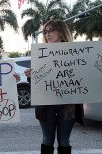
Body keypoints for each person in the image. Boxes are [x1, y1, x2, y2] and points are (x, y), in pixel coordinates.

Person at [24, 19, 84, 154]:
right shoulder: (41, 54)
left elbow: (82, 77)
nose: (47, 34)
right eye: (46, 32)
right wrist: (31, 77)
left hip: (68, 104)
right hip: (46, 104)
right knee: (47, 140)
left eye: (52, 30)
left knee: (64, 140)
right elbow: (37, 84)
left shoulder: (75, 53)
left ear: (61, 33)